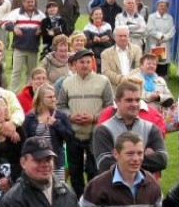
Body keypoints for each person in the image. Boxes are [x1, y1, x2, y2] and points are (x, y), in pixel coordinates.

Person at [57, 48, 114, 194]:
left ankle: (92, 198)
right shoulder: (67, 82)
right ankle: (77, 202)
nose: (85, 65)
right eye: (82, 62)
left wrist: (94, 117)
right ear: (75, 64)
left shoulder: (103, 81)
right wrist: (70, 116)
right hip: (73, 134)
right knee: (75, 172)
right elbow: (60, 106)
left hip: (95, 134)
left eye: (88, 62)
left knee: (93, 170)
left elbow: (110, 107)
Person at [93, 80, 168, 174]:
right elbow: (104, 164)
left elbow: (162, 160)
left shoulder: (151, 128)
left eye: (137, 100)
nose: (134, 104)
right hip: (113, 187)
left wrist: (120, 158)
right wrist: (145, 157)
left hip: (145, 187)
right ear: (117, 102)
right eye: (129, 100)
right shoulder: (103, 130)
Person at [23, 82, 73, 182]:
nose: (53, 99)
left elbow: (70, 137)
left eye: (54, 96)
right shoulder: (30, 118)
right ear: (41, 99)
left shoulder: (60, 116)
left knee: (57, 192)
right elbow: (25, 141)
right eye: (49, 97)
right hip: (36, 162)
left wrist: (56, 124)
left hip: (56, 162)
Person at [2, 0, 45, 91]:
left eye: (32, 2)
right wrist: (14, 28)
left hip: (33, 48)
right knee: (16, 72)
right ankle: (13, 93)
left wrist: (42, 28)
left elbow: (48, 26)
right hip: (19, 48)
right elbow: (4, 24)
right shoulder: (16, 13)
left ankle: (29, 92)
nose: (31, 4)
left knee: (31, 73)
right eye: (28, 2)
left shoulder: (40, 15)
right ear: (23, 3)